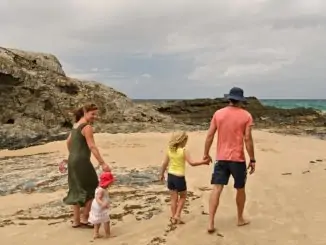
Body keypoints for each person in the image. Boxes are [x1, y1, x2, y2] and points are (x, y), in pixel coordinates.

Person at [203, 87, 256, 233]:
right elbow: (247, 139)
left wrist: (205, 154)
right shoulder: (246, 116)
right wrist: (252, 159)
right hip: (237, 159)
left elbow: (209, 135)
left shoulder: (218, 114)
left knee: (217, 188)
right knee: (240, 188)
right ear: (240, 100)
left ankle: (211, 222)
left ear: (229, 99)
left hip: (221, 158)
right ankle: (239, 218)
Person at [63, 103, 111, 228]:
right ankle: (85, 218)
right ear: (85, 112)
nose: (94, 117)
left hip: (72, 160)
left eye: (96, 114)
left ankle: (76, 220)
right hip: (82, 162)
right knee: (92, 187)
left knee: (76, 188)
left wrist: (73, 154)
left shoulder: (75, 125)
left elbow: (68, 142)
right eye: (92, 114)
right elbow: (92, 146)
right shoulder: (86, 127)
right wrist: (102, 163)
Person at [160, 132, 210, 224]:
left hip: (170, 176)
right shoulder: (184, 150)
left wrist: (162, 174)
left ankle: (173, 216)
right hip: (179, 177)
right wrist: (203, 162)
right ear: (182, 141)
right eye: (185, 141)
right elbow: (192, 163)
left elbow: (164, 164)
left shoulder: (170, 150)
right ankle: (177, 215)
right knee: (183, 196)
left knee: (173, 198)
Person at [88, 170, 115, 239]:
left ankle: (96, 233)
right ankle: (108, 234)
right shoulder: (102, 190)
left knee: (97, 221)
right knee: (106, 221)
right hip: (100, 207)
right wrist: (103, 204)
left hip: (95, 206)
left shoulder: (99, 188)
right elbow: (98, 198)